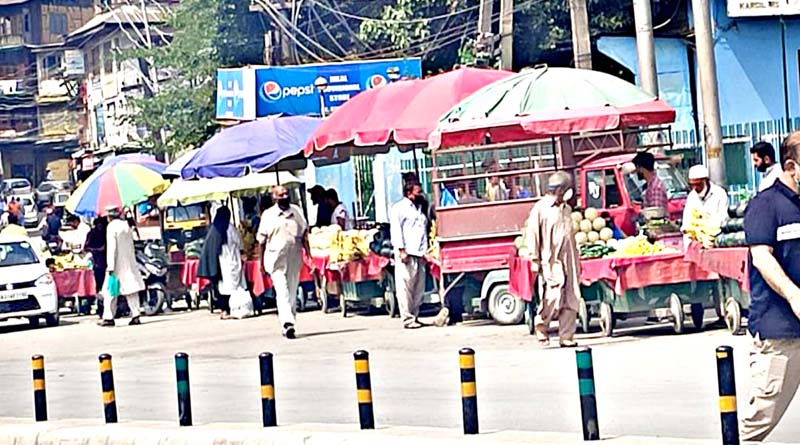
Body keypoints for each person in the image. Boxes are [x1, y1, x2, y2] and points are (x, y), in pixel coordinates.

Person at [741, 131, 800, 441]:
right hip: (782, 330)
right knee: (760, 419)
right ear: (791, 167)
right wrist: (793, 295)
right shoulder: (767, 205)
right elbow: (762, 258)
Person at [526, 172, 580, 347]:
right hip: (550, 260)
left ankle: (567, 336)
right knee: (552, 296)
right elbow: (532, 234)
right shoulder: (540, 209)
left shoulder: (566, 209)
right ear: (559, 190)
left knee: (571, 297)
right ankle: (541, 325)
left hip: (569, 259)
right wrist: (534, 259)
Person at [257, 186, 310, 339]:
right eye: (281, 195)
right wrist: (261, 264)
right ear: (274, 198)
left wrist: (309, 255)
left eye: (286, 194)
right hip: (275, 259)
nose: (285, 196)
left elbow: (304, 234)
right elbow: (261, 241)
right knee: (282, 290)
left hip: (294, 256)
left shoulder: (297, 211)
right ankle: (287, 322)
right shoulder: (268, 215)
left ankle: (289, 323)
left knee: (292, 290)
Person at [390, 181, 428, 329]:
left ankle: (415, 315)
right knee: (405, 287)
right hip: (406, 253)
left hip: (419, 252)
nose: (420, 195)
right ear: (409, 193)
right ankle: (407, 318)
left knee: (418, 287)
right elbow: (396, 230)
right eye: (417, 193)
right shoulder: (399, 208)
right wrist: (401, 250)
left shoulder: (419, 208)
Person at [101, 206, 145, 327]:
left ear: (109, 216)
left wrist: (110, 266)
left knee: (110, 292)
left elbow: (112, 248)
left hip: (116, 265)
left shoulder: (111, 227)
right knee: (131, 290)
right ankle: (136, 314)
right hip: (129, 262)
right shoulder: (126, 225)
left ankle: (108, 317)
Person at [199, 206, 246, 320]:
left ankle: (225, 310)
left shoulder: (214, 229)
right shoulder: (230, 228)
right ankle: (236, 308)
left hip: (220, 263)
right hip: (232, 260)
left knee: (223, 287)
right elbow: (239, 243)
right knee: (235, 286)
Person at [681, 165, 729, 230]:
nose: (695, 188)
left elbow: (723, 217)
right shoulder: (691, 196)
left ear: (705, 181)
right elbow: (687, 221)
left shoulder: (719, 193)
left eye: (698, 184)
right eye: (692, 185)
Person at [84, 217, 108, 317]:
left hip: (110, 263)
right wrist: (98, 249)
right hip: (98, 264)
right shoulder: (92, 233)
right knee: (100, 287)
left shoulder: (108, 231)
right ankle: (101, 309)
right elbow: (86, 247)